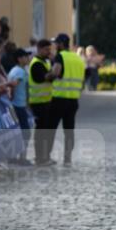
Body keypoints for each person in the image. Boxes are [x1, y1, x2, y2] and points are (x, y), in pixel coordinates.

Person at [49, 33, 85, 166]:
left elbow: (55, 72)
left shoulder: (60, 56)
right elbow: (82, 82)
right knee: (69, 130)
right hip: (73, 100)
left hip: (59, 98)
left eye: (56, 43)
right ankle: (67, 158)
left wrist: (48, 75)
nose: (54, 46)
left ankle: (46, 156)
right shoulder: (77, 58)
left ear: (61, 44)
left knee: (51, 128)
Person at [28, 39, 59, 166]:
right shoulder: (36, 64)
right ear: (39, 49)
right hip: (38, 102)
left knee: (45, 130)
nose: (49, 52)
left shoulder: (45, 62)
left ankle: (44, 156)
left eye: (50, 49)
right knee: (41, 131)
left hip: (46, 101)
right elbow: (46, 78)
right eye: (46, 50)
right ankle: (40, 158)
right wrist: (55, 68)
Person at [7, 48, 33, 165]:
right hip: (19, 105)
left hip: (16, 105)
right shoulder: (20, 72)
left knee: (16, 132)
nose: (28, 58)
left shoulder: (15, 70)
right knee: (25, 132)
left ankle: (13, 157)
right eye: (25, 56)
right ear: (19, 59)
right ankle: (22, 158)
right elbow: (14, 85)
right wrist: (12, 95)